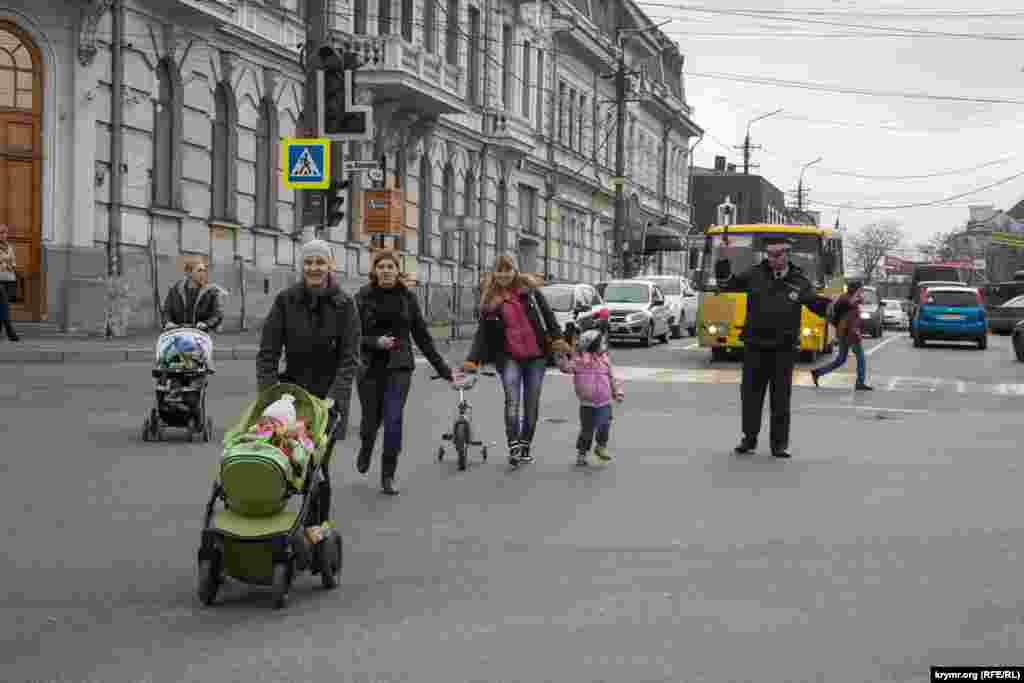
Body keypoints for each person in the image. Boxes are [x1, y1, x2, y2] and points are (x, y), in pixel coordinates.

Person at [257, 239, 360, 547]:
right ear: (302, 266)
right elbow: (268, 352)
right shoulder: (285, 301)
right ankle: (274, 524)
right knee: (279, 457)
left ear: (330, 266)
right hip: (291, 395)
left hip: (328, 398)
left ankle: (317, 529)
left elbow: (350, 358)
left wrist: (335, 396)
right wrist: (269, 392)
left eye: (320, 262)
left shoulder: (345, 304)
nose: (314, 268)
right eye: (309, 262)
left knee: (317, 466)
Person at [715, 235, 831, 459]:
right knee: (750, 397)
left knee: (780, 398)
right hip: (755, 346)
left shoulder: (798, 280)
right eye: (769, 255)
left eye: (777, 255)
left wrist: (839, 309)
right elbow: (726, 284)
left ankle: (779, 445)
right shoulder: (754, 274)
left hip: (783, 349)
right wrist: (724, 259)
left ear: (787, 255)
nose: (773, 259)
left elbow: (816, 304)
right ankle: (749, 439)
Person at [354, 249, 456, 495]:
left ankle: (388, 475)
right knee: (370, 421)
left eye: (391, 266)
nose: (386, 271)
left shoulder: (407, 298)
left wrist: (444, 370)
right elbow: (352, 335)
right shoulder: (362, 297)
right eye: (382, 267)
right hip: (368, 367)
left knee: (393, 420)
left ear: (397, 271)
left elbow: (422, 336)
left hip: (399, 367)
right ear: (375, 271)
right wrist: (374, 342)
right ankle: (366, 445)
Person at [463, 255, 571, 465]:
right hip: (508, 356)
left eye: (508, 270)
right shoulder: (490, 300)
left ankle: (525, 445)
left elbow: (549, 318)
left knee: (531, 404)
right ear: (494, 273)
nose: (503, 274)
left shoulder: (530, 292)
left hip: (536, 357)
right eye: (499, 270)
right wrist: (471, 361)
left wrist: (558, 341)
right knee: (512, 401)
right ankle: (513, 444)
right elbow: (482, 334)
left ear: (515, 271)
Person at [558, 325, 624, 467]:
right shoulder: (580, 361)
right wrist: (562, 356)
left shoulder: (605, 360)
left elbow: (612, 377)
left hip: (605, 401)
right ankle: (582, 454)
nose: (604, 346)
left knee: (604, 426)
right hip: (587, 403)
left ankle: (600, 447)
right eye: (602, 343)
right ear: (592, 345)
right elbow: (566, 368)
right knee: (587, 430)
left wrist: (617, 392)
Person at [811, 281, 873, 391]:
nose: (861, 292)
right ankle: (860, 382)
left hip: (845, 332)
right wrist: (858, 299)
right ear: (856, 289)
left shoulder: (847, 298)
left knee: (841, 359)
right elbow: (850, 306)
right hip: (850, 333)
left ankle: (817, 372)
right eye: (860, 289)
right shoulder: (847, 299)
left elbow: (856, 304)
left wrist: (858, 299)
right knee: (860, 358)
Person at [162, 258, 224, 333]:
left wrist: (206, 323)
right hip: (178, 334)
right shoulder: (175, 290)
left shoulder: (211, 292)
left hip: (200, 335)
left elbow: (217, 314)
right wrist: (168, 322)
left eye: (204, 270)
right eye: (199, 270)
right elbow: (167, 310)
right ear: (189, 273)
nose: (203, 273)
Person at [0, 224, 19, 341]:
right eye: (0, 232)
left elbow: (13, 263)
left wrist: (9, 264)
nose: (2, 235)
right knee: (4, 305)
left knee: (3, 306)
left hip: (10, 279)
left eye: (4, 232)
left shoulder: (10, 247)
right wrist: (6, 262)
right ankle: (9, 330)